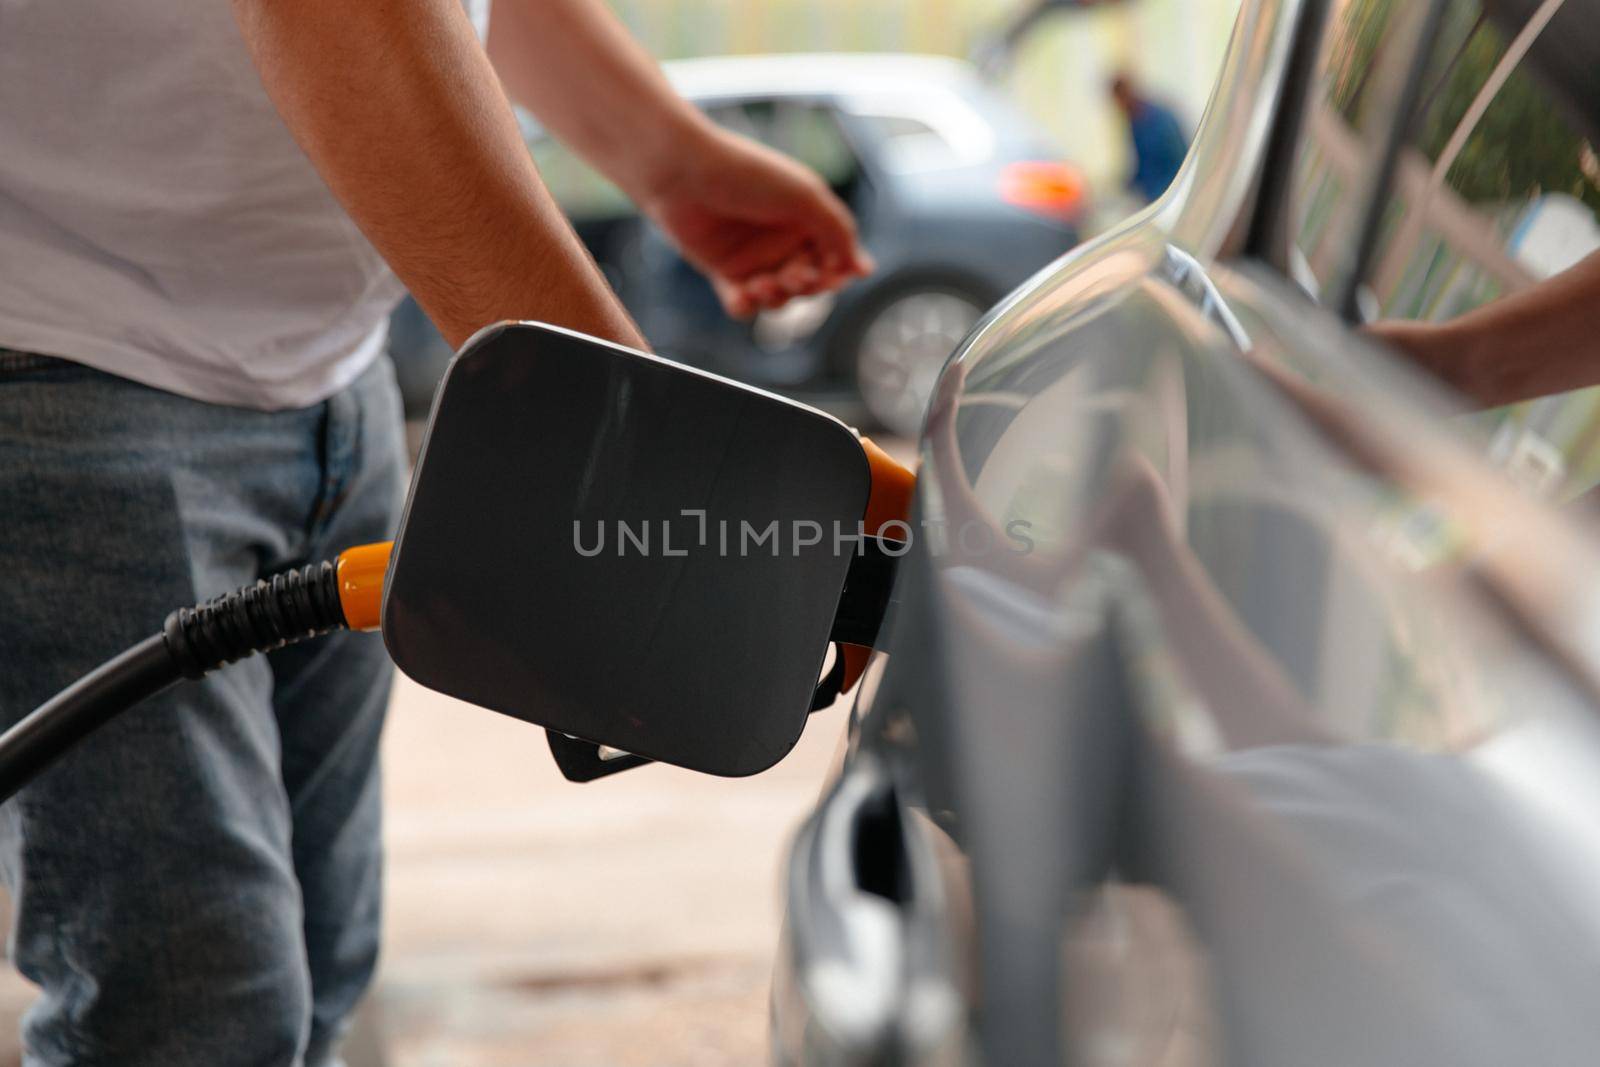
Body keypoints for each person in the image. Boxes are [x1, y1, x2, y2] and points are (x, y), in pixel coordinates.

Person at [0, 1, 872, 1063]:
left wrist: (668, 159)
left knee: (314, 970)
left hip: (334, 366)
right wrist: (647, 455)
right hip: (60, 369)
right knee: (196, 1018)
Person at [1109, 72, 1191, 204]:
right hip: (1152, 196)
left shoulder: (1161, 120)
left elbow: (1180, 162)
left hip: (1171, 194)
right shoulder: (1134, 124)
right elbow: (1142, 167)